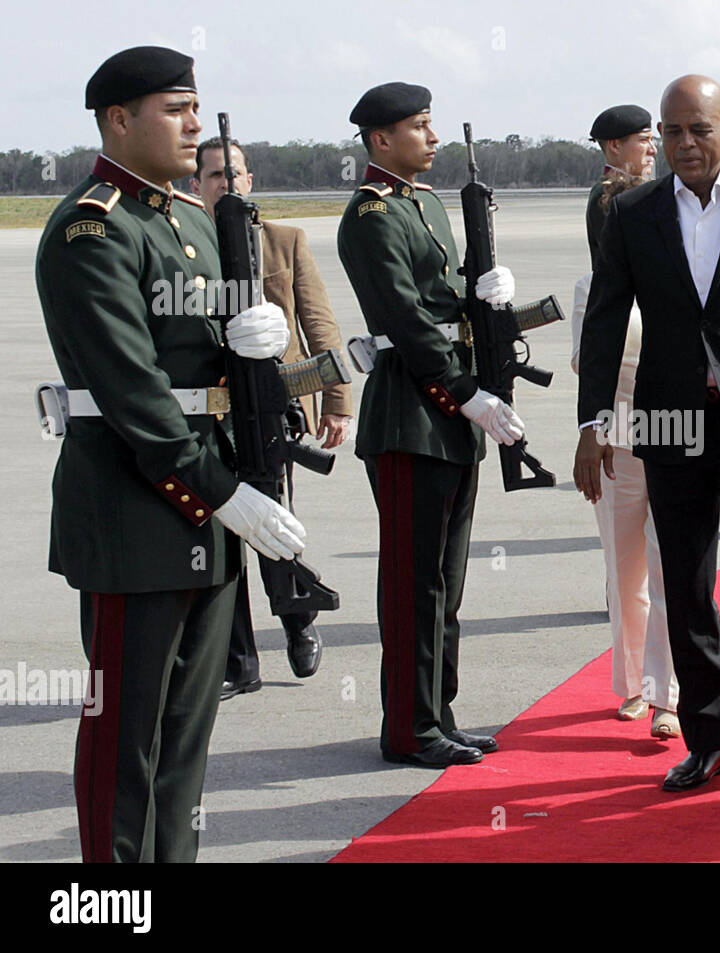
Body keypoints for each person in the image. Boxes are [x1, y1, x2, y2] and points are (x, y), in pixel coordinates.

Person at [36, 45, 302, 861]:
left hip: (210, 508)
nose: (195, 125)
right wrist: (225, 495)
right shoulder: (92, 228)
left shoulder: (189, 218)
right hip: (137, 514)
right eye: (175, 108)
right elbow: (136, 395)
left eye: (196, 106)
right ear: (119, 120)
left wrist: (261, 345)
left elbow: (211, 365)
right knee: (127, 739)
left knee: (184, 741)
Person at [575, 75, 720, 794]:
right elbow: (606, 318)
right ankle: (708, 736)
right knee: (688, 582)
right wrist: (592, 423)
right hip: (669, 424)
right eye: (671, 132)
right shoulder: (634, 213)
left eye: (698, 130)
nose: (683, 144)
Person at [337, 82, 521, 769]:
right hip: (411, 415)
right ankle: (408, 727)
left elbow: (445, 299)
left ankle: (436, 712)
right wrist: (464, 391)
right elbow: (409, 322)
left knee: (446, 579)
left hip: (447, 415)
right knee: (414, 583)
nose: (433, 137)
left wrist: (486, 286)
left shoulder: (427, 205)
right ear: (381, 140)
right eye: (419, 127)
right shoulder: (372, 215)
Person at [190, 137, 354, 700]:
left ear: (250, 179)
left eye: (234, 174)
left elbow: (319, 322)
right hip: (212, 416)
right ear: (196, 186)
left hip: (272, 407)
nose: (225, 184)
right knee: (221, 535)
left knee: (274, 525)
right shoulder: (186, 247)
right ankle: (239, 662)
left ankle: (298, 620)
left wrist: (335, 401)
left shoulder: (284, 242)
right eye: (214, 175)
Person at [572, 160, 681, 738]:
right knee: (623, 570)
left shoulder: (675, 274)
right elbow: (582, 362)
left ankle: (669, 693)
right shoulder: (590, 287)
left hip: (670, 429)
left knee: (670, 565)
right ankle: (633, 684)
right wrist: (592, 430)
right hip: (613, 436)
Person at [586, 105, 658, 270]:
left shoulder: (637, 189)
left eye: (652, 140)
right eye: (643, 140)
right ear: (615, 146)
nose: (653, 150)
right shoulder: (607, 194)